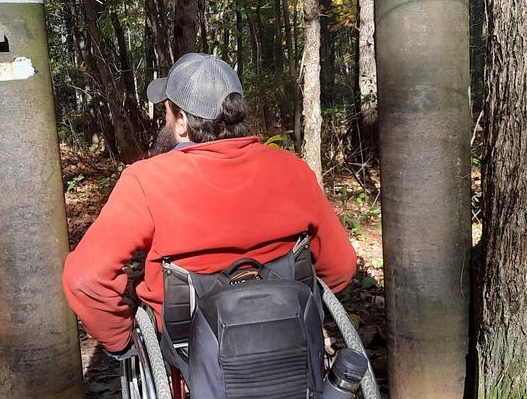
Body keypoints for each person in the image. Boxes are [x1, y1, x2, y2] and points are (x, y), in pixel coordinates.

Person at [62, 52, 357, 357]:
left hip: (191, 349)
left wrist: (121, 342)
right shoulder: (292, 169)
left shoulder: (145, 181)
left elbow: (85, 278)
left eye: (167, 111)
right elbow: (341, 266)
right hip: (287, 331)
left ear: (182, 122)